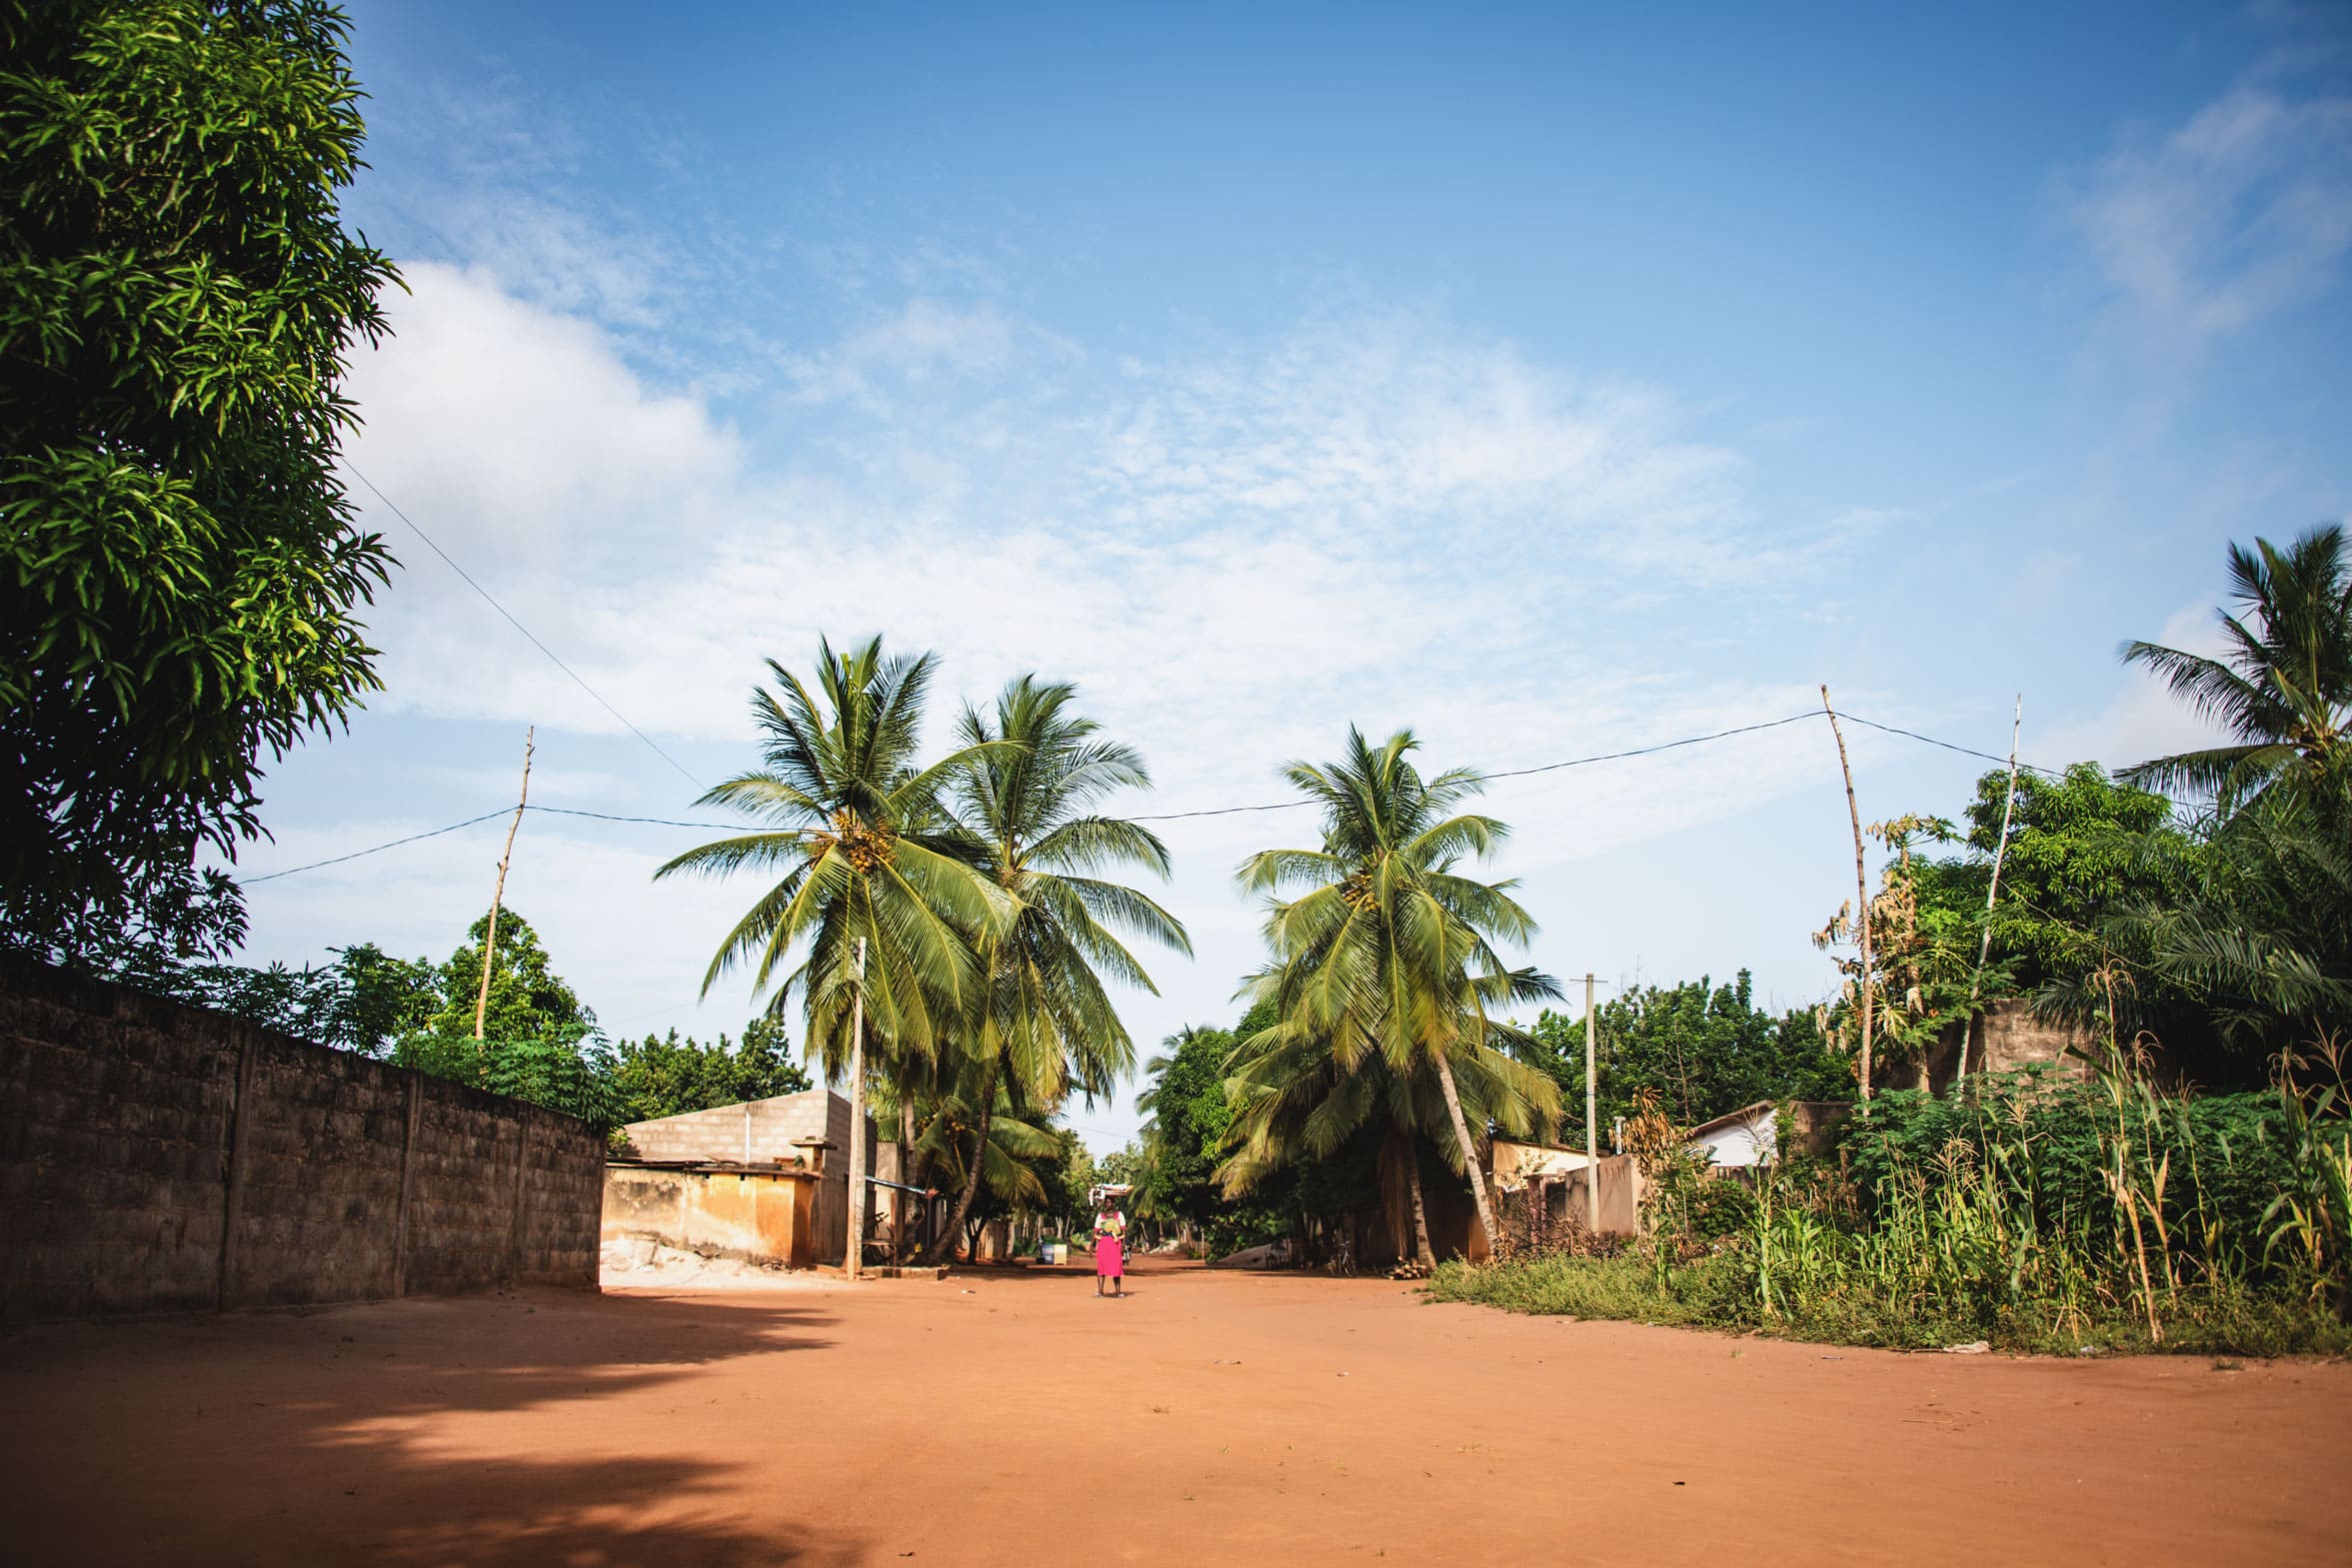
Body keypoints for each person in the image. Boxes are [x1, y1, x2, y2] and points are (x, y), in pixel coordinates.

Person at [1094, 1200, 1127, 1298]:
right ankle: (1100, 1291)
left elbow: (1124, 1230)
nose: (1107, 1204)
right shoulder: (1100, 1216)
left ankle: (1118, 1291)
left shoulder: (1119, 1215)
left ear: (1113, 1203)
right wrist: (1092, 1246)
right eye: (1106, 1203)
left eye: (1109, 1202)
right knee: (1101, 1267)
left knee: (1116, 1267)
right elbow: (1095, 1230)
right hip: (1103, 1243)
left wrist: (1123, 1245)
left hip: (1115, 1243)